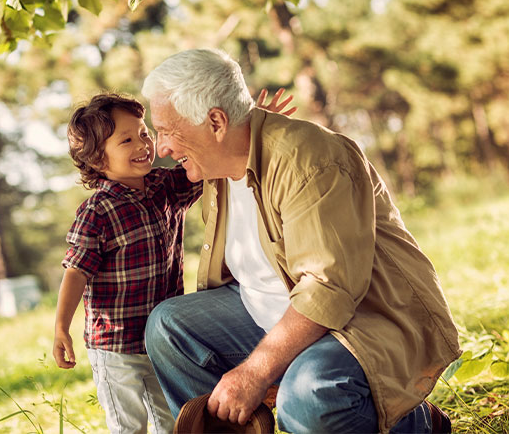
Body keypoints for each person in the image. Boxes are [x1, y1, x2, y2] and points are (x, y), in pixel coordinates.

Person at [141, 49, 461, 434]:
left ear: (215, 121)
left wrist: (256, 371)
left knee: (307, 396)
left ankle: (414, 425)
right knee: (170, 327)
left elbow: (329, 288)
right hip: (273, 315)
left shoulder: (311, 158)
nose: (162, 148)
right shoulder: (218, 163)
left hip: (359, 321)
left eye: (166, 131)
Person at [52, 92, 293, 434]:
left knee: (175, 422)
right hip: (115, 347)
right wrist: (62, 327)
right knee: (127, 425)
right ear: (96, 159)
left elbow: (210, 162)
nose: (143, 144)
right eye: (127, 140)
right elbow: (76, 272)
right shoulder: (97, 212)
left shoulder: (164, 186)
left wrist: (248, 125)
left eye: (144, 134)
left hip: (160, 342)